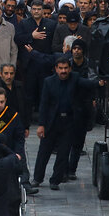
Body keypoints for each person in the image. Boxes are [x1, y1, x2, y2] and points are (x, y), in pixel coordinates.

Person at [33, 55, 101, 190]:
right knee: (44, 151)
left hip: (69, 122)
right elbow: (44, 104)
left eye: (65, 68)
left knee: (63, 153)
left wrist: (99, 83)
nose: (63, 71)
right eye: (60, 68)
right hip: (52, 122)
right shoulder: (48, 82)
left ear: (69, 69)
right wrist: (41, 124)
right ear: (56, 69)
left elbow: (86, 83)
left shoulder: (74, 78)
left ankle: (55, 180)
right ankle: (37, 178)